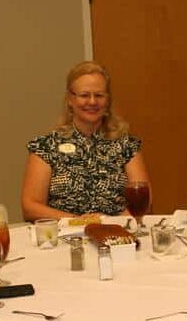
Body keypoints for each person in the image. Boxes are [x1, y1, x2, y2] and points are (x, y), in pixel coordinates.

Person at [21, 61, 150, 221]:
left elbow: (144, 199)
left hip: (116, 235)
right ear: (70, 99)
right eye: (84, 95)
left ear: (107, 100)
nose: (92, 102)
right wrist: (79, 222)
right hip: (64, 238)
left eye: (99, 95)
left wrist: (110, 223)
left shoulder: (126, 145)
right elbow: (30, 206)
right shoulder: (46, 147)